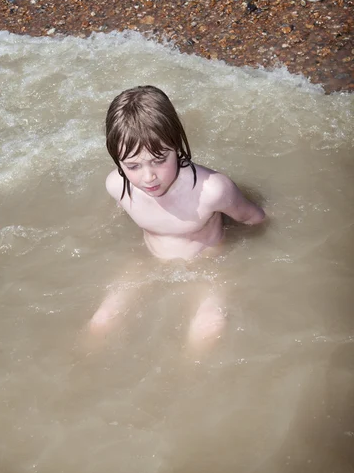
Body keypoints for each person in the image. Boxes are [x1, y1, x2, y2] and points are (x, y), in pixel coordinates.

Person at [89, 85, 266, 346]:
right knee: (102, 320)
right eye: (133, 166)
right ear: (117, 160)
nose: (148, 177)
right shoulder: (117, 187)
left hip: (207, 264)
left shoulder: (211, 191)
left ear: (177, 145)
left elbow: (254, 219)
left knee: (209, 326)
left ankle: (188, 381)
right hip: (148, 261)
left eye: (159, 160)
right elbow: (117, 211)